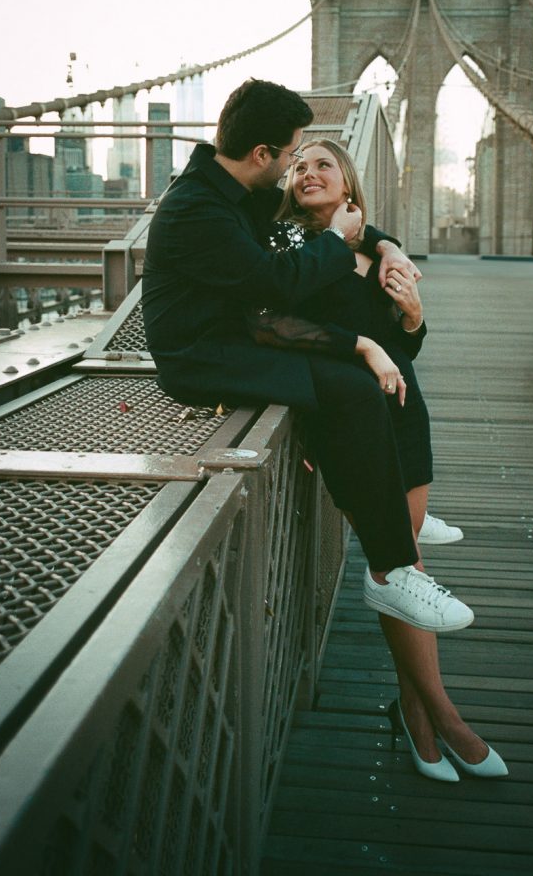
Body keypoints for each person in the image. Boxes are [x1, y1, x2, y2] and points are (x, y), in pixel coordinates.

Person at [142, 79, 505, 777]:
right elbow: (272, 294)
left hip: (313, 373)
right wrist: (358, 329)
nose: (295, 171)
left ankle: (394, 564)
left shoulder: (232, 194)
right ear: (262, 153)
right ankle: (393, 571)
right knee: (347, 386)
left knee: (356, 388)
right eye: (290, 158)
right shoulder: (206, 211)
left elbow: (349, 254)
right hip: (206, 357)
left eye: (318, 162)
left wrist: (387, 261)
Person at [247, 138, 508, 780]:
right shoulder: (285, 248)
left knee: (405, 576)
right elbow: (272, 324)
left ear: (349, 182)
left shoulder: (373, 252)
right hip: (349, 429)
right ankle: (443, 715)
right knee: (402, 568)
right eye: (299, 165)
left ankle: (414, 713)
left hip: (404, 420)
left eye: (323, 165)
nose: (308, 172)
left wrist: (413, 319)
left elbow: (402, 353)